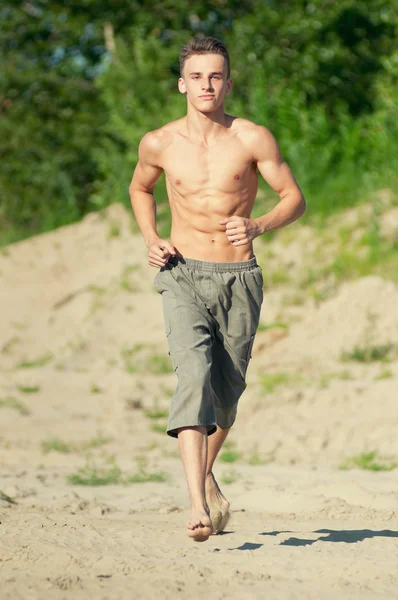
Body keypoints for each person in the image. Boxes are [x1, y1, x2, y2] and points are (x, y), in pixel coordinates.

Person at [129, 36, 306, 543]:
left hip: (238, 277)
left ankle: (204, 470)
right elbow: (140, 187)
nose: (206, 85)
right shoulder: (158, 142)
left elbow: (293, 197)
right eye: (197, 76)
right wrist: (151, 238)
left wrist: (260, 226)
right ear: (182, 83)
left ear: (227, 83)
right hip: (182, 272)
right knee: (194, 376)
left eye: (216, 76)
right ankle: (196, 503)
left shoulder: (252, 138)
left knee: (226, 394)